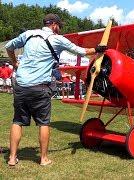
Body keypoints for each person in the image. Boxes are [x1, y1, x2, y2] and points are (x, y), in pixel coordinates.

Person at [5, 13, 107, 166]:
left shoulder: (28, 34)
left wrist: (15, 63)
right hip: (39, 87)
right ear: (53, 25)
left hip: (20, 85)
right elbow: (81, 51)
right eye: (59, 26)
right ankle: (44, 158)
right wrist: (97, 49)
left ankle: (12, 158)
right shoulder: (57, 39)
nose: (59, 30)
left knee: (17, 121)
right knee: (44, 123)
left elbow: (8, 47)